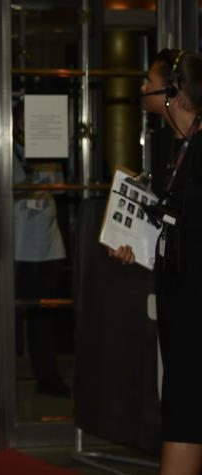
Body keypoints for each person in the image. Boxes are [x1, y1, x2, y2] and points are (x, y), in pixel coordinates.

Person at [111, 50, 202, 474]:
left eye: (149, 80)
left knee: (184, 409)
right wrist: (132, 241)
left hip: (196, 302)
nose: (142, 88)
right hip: (175, 296)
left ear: (174, 90)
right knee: (182, 407)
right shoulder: (168, 145)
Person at [12, 100, 69, 397]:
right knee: (10, 316)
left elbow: (59, 189)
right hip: (18, 248)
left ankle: (48, 379)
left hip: (49, 247)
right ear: (18, 122)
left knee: (43, 319)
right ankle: (3, 381)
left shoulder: (50, 153)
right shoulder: (4, 152)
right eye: (26, 118)